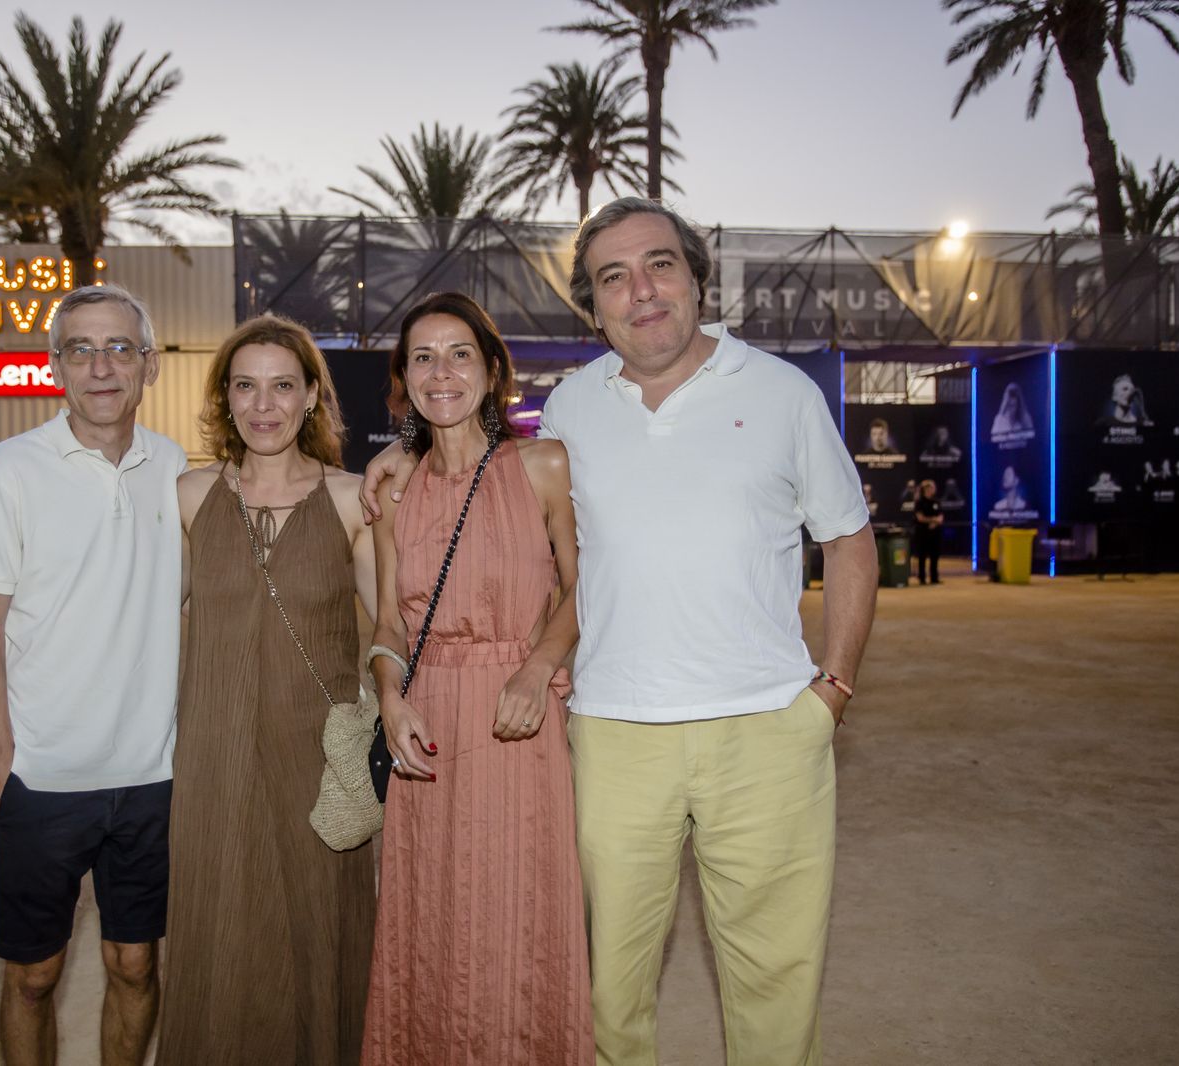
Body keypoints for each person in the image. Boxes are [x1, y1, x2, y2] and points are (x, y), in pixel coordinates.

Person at [362, 199, 878, 1066]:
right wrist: (402, 454)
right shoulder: (571, 410)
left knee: (775, 983)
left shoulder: (783, 392)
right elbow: (498, 482)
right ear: (591, 307)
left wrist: (831, 692)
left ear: (695, 278)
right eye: (613, 277)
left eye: (659, 265)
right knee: (608, 989)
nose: (641, 291)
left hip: (766, 730)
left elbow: (850, 540)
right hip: (610, 734)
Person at [362, 291, 593, 1064]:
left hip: (515, 718)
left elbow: (584, 587)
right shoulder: (396, 491)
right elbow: (391, 622)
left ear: (493, 371)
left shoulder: (543, 465)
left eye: (460, 354)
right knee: (431, 922)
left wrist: (538, 664)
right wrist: (389, 697)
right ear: (404, 378)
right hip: (427, 726)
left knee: (517, 912)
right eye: (423, 357)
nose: (442, 372)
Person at [0, 284, 185, 1066]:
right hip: (42, 777)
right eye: (81, 349)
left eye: (120, 348)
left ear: (148, 365)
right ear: (56, 366)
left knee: (135, 963)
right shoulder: (12, 468)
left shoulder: (177, 470)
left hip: (152, 776)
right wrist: (2, 764)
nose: (101, 367)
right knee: (33, 973)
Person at [156, 316, 377, 1065]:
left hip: (318, 764)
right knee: (220, 933)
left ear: (312, 395)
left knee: (317, 933)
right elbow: (144, 615)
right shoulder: (188, 496)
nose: (264, 404)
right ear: (225, 398)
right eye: (245, 386)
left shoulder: (353, 500)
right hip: (214, 762)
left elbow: (397, 629)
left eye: (283, 385)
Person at [913, 480, 944, 584]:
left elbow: (940, 517)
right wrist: (932, 520)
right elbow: (920, 518)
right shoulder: (920, 502)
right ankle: (922, 578)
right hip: (923, 533)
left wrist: (935, 522)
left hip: (935, 534)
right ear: (924, 489)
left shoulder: (936, 502)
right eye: (929, 488)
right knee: (922, 556)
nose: (931, 490)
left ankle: (934, 578)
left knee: (935, 556)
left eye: (932, 488)